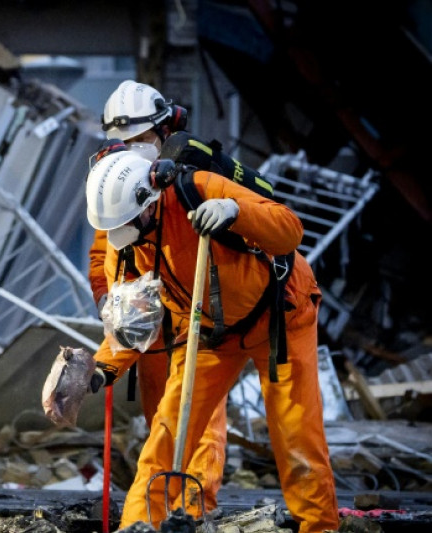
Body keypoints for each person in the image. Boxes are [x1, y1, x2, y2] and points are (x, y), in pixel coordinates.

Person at [86, 149, 338, 532]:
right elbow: (132, 316)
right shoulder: (126, 243)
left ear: (150, 200)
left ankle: (319, 527)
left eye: (128, 223)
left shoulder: (198, 189)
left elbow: (289, 230)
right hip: (208, 331)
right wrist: (102, 368)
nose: (123, 235)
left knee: (296, 435)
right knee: (167, 433)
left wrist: (236, 211)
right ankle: (138, 526)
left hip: (280, 318)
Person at [85, 80, 229, 518]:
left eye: (141, 140)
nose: (132, 148)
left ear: (166, 130)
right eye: (123, 141)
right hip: (147, 327)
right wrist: (110, 303)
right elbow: (102, 252)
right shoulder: (114, 181)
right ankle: (159, 511)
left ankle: (196, 510)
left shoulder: (195, 176)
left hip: (198, 320)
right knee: (161, 425)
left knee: (202, 424)